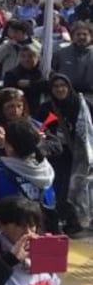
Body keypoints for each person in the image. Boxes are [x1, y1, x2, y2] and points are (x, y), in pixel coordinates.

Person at [37, 73, 93, 237]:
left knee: (76, 188)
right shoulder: (46, 107)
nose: (60, 89)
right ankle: (57, 222)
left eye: (63, 86)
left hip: (78, 156)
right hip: (55, 155)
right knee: (57, 189)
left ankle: (74, 222)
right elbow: (39, 128)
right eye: (55, 86)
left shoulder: (82, 104)